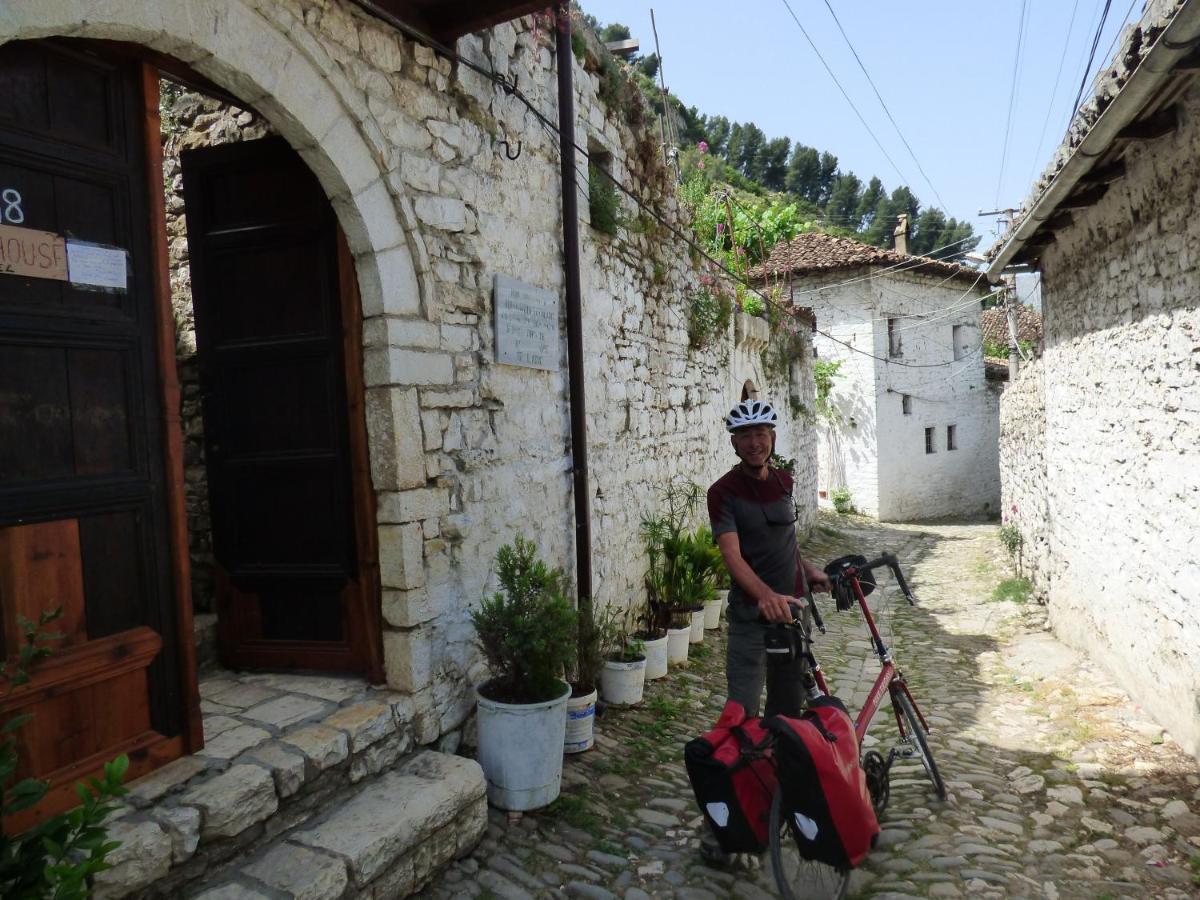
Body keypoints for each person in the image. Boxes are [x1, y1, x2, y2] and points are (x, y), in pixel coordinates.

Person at [706, 398, 831, 720]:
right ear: (734, 442)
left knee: (788, 704)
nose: (754, 443)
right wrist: (765, 595)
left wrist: (808, 570)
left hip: (793, 610)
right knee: (742, 707)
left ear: (772, 437)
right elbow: (731, 554)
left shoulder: (783, 481)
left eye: (760, 433)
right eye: (745, 435)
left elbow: (785, 541)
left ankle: (780, 764)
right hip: (751, 615)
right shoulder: (722, 492)